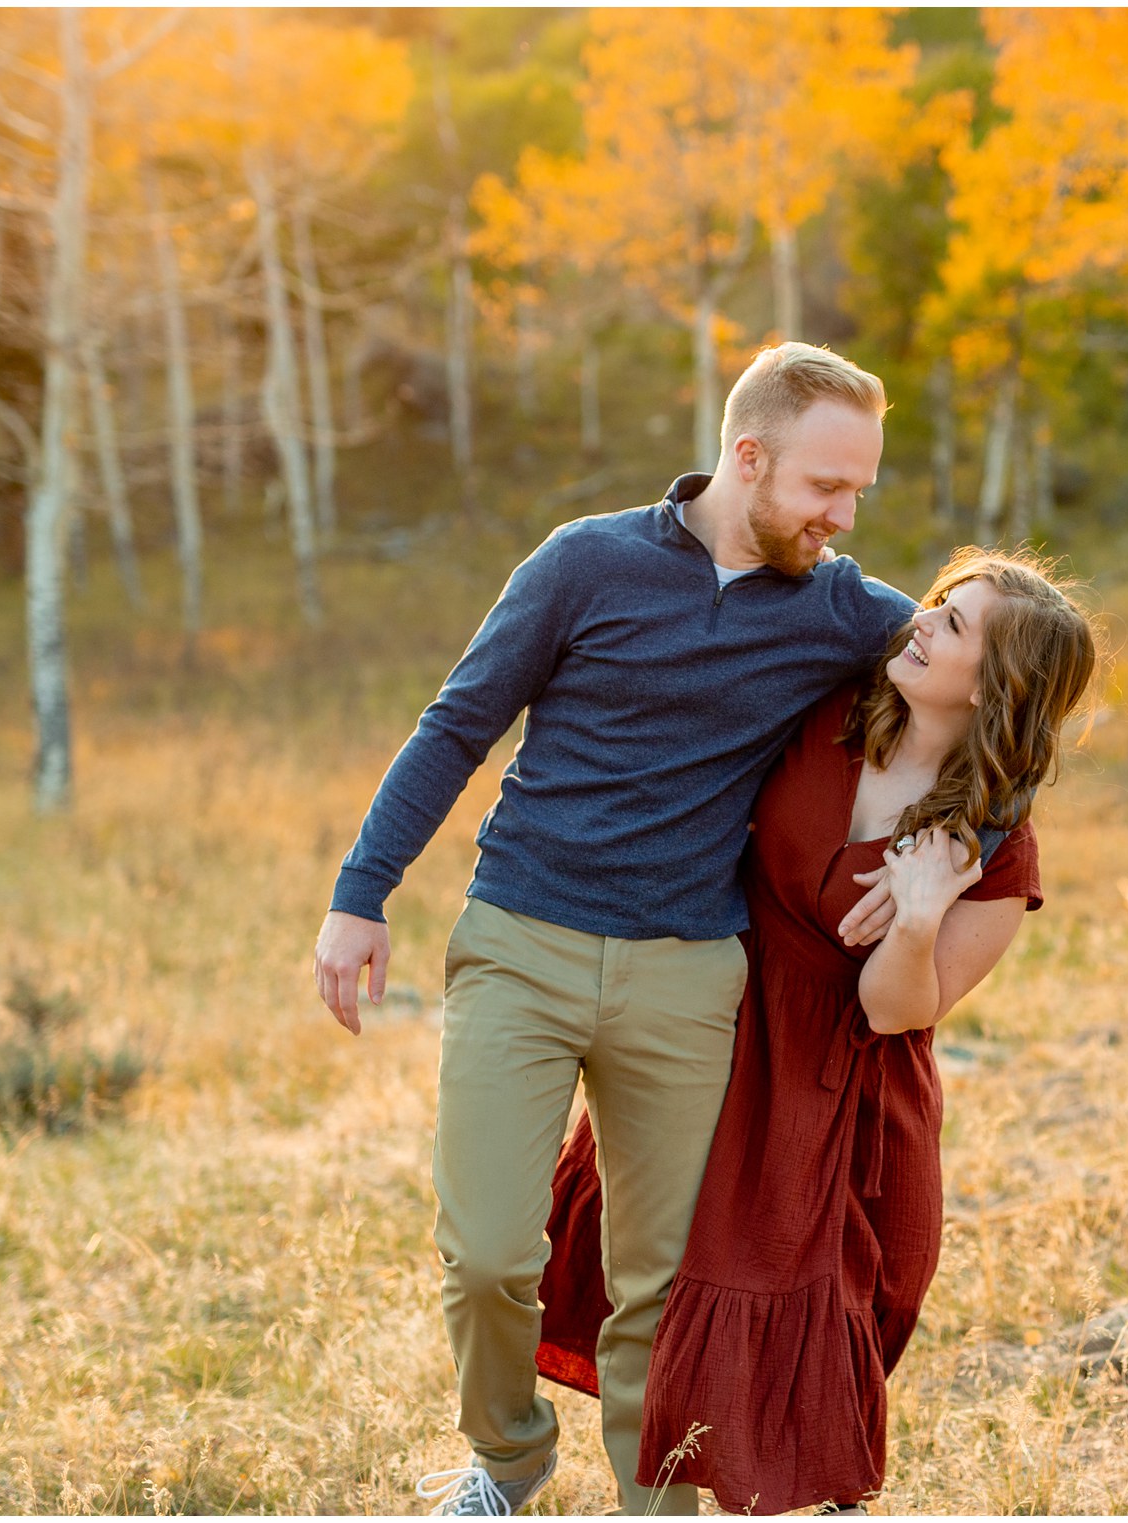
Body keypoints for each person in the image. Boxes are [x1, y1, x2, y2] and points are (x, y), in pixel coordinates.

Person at [311, 343, 918, 1517]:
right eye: (824, 488)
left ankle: (659, 1509)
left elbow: (977, 673)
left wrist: (968, 864)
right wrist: (359, 891)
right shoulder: (585, 563)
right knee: (489, 1252)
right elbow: (456, 726)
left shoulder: (844, 608)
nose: (844, 517)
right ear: (748, 458)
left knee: (661, 1285)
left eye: (859, 493)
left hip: (690, 976)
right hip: (521, 943)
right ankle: (509, 1454)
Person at [532, 547, 1100, 1514]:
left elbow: (895, 1009)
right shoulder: (823, 718)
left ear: (998, 685)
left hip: (849, 1088)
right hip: (719, 1033)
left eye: (954, 626)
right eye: (936, 605)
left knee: (835, 1318)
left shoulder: (995, 845)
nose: (918, 622)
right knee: (665, 1286)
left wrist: (920, 912)